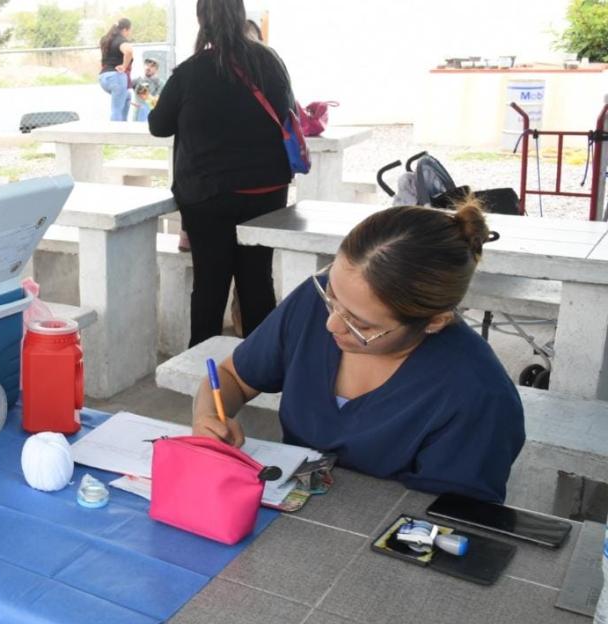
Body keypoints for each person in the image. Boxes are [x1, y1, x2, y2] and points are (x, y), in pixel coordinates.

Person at [193, 200, 525, 503]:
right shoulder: (313, 304)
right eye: (332, 296)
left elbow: (443, 522)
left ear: (434, 322)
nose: (331, 325)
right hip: (286, 511)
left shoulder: (475, 396)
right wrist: (208, 416)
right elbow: (232, 376)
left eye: (360, 325)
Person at [148, 0, 295, 348]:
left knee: (210, 283)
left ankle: (204, 366)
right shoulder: (269, 61)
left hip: (208, 195)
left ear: (202, 20)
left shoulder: (190, 72)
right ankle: (263, 369)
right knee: (257, 280)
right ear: (241, 15)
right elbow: (288, 110)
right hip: (267, 191)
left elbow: (158, 126)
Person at [98, 18, 134, 121]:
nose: (129, 34)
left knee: (127, 96)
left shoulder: (106, 39)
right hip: (116, 78)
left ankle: (123, 124)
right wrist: (124, 66)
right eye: (129, 31)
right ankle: (116, 134)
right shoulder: (121, 40)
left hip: (103, 78)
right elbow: (129, 51)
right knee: (116, 110)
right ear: (125, 30)